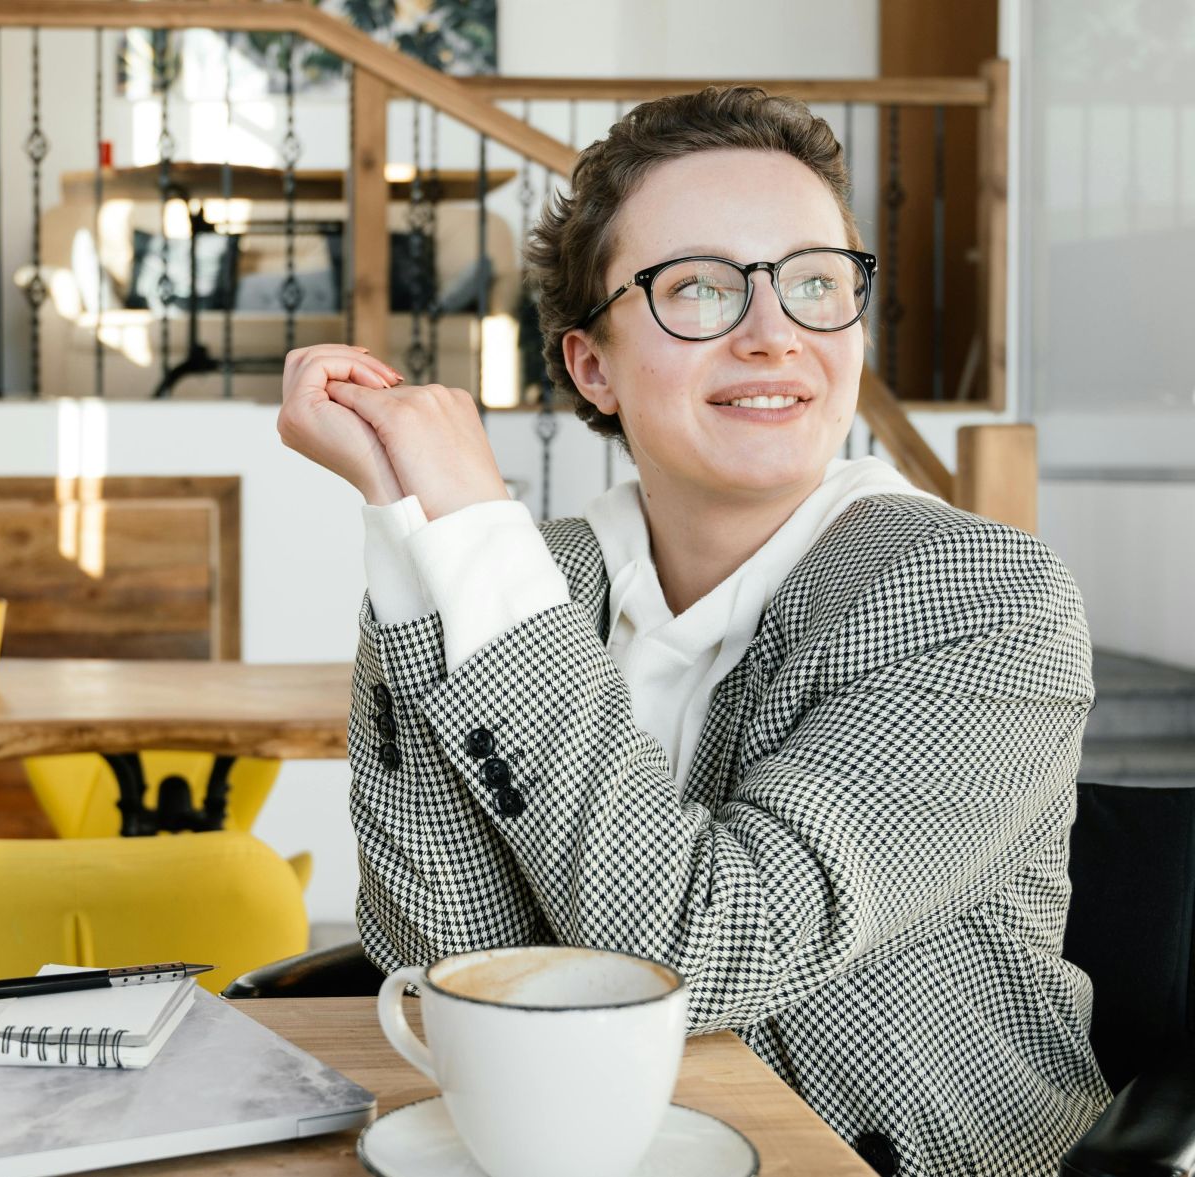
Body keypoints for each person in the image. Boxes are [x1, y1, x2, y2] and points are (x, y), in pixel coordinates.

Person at [277, 87, 1110, 1175]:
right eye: (701, 291)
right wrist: (408, 528)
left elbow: (704, 945)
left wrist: (476, 530)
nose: (775, 336)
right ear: (592, 365)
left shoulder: (981, 594)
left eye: (816, 284)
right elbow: (448, 952)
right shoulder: (547, 582)